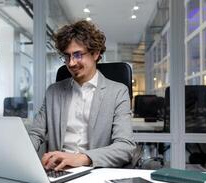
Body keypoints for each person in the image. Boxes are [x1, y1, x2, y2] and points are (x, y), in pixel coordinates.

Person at [29, 20, 136, 171]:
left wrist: (81, 158)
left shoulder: (118, 92)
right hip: (58, 172)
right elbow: (35, 134)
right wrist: (20, 155)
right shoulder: (53, 92)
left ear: (96, 53)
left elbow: (125, 146)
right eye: (67, 57)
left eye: (78, 55)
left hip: (95, 171)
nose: (71, 63)